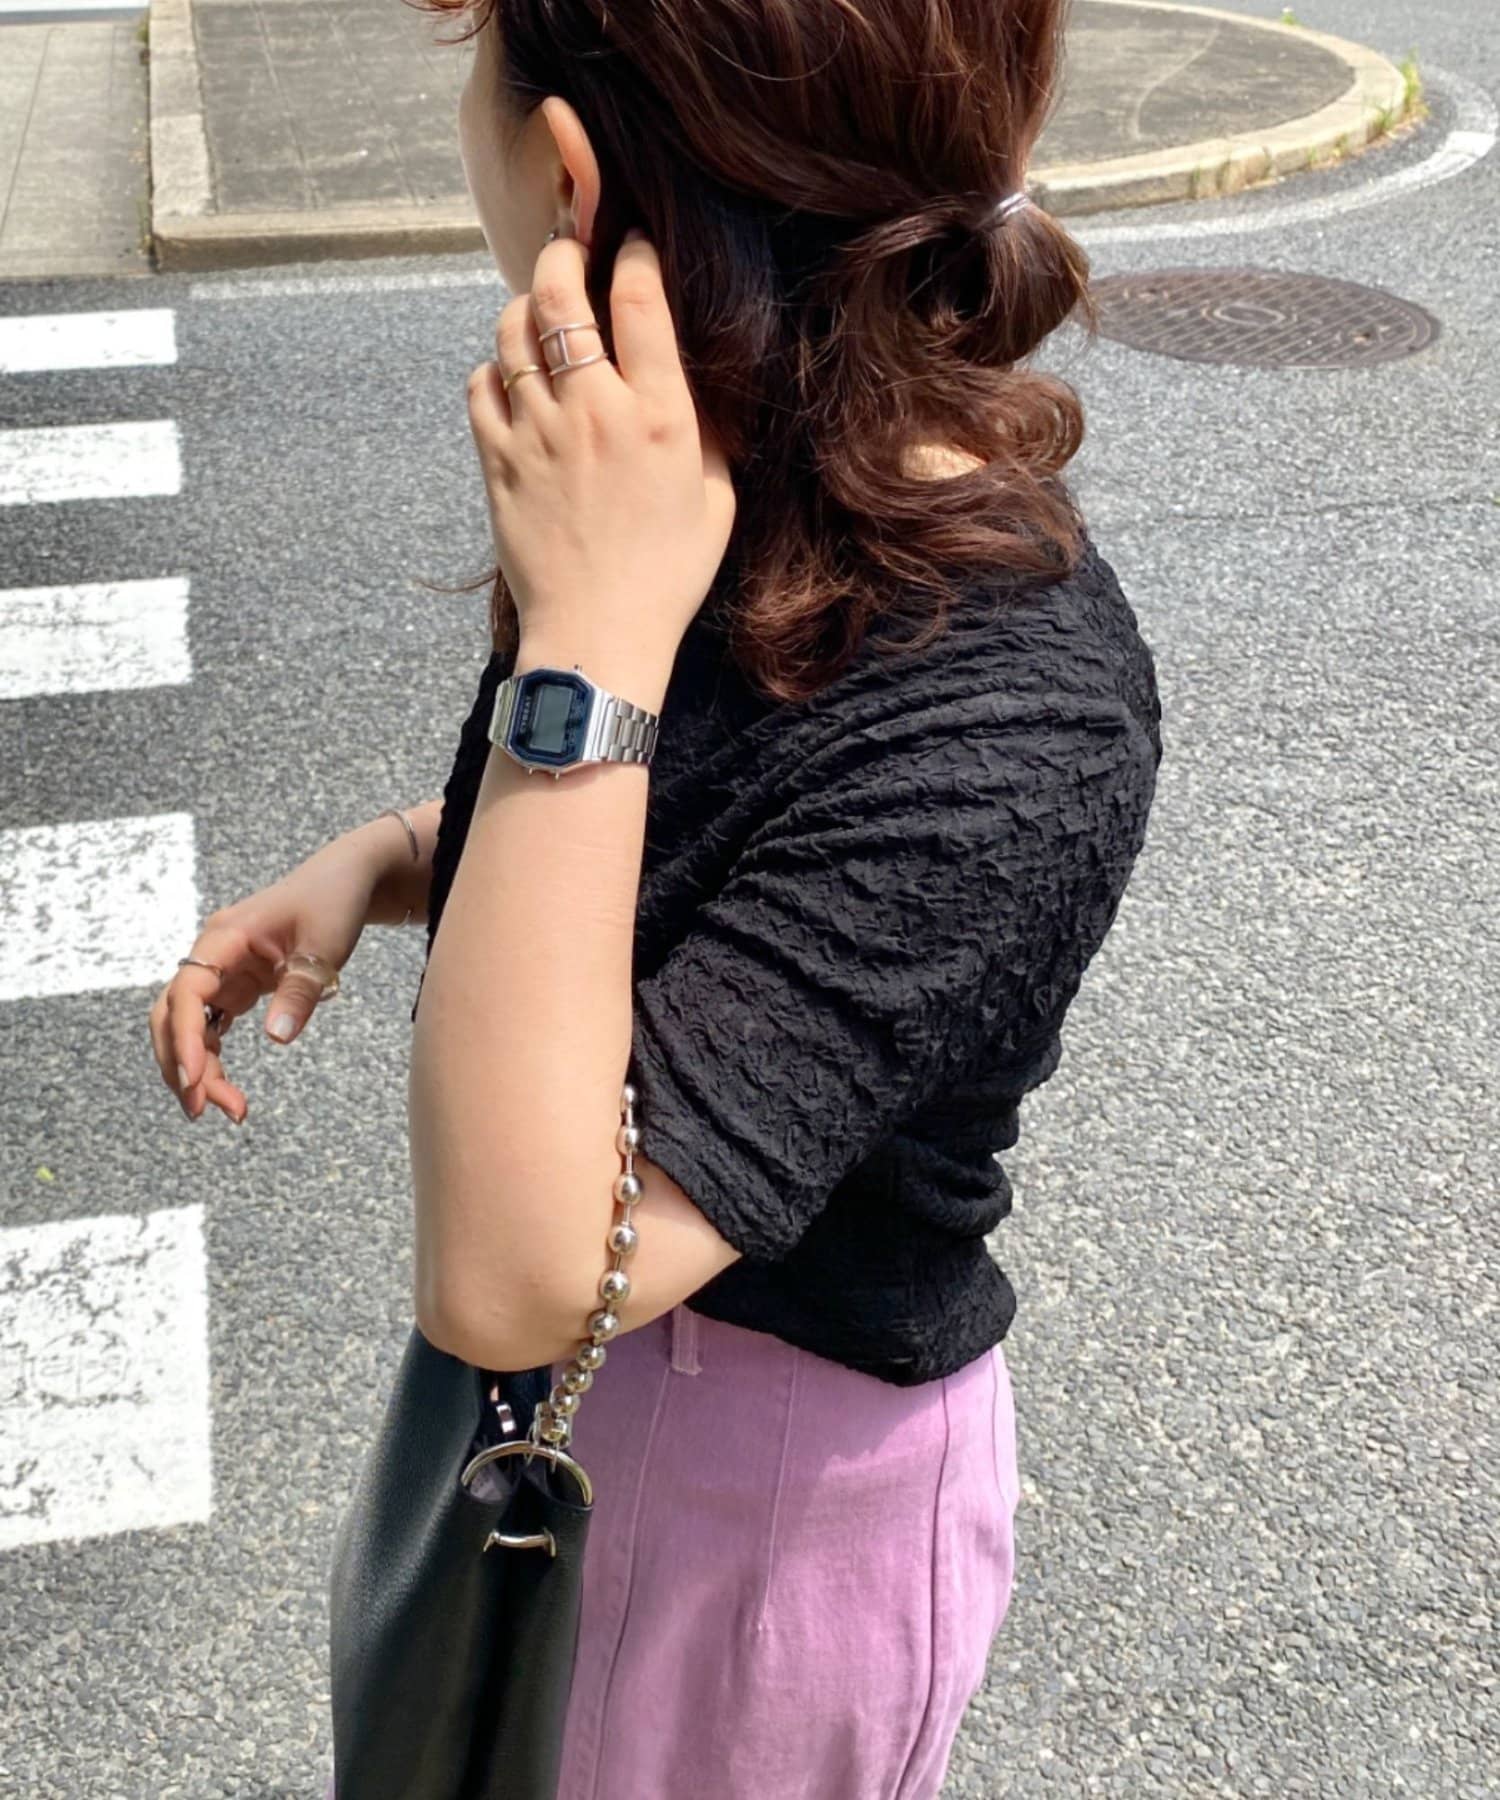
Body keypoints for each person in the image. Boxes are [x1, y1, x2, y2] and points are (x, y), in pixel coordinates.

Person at [149, 1, 1164, 1795]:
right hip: (564, 1416)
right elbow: (703, 830)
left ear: (567, 174)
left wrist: (588, 638)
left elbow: (522, 1274)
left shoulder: (1013, 694)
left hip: (757, 1517)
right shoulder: (689, 474)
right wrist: (393, 859)